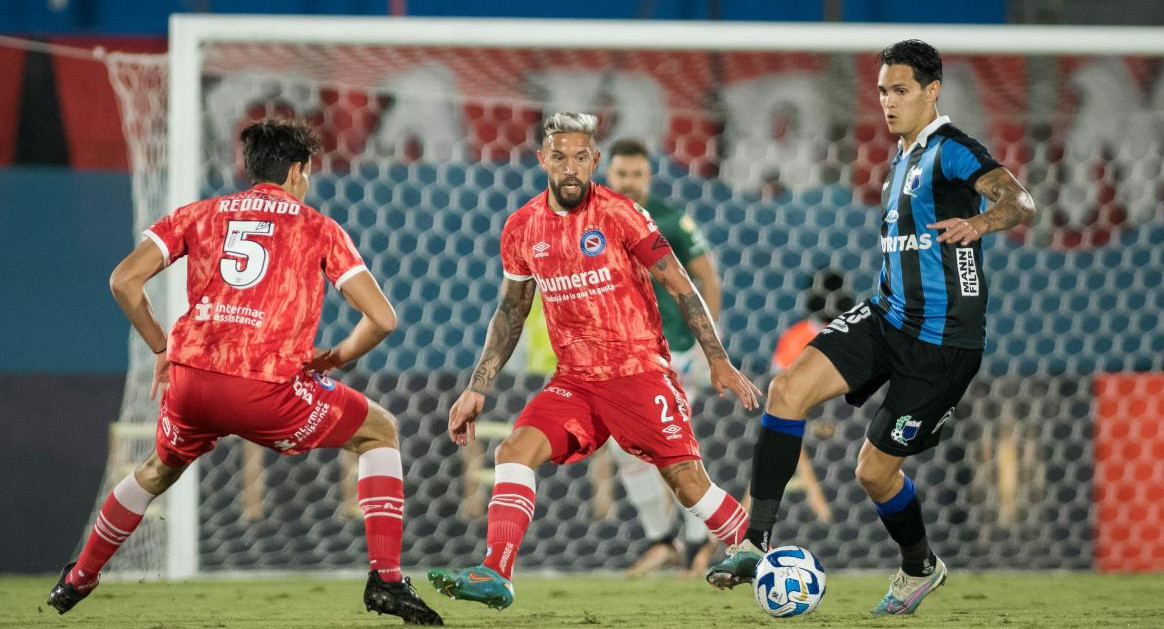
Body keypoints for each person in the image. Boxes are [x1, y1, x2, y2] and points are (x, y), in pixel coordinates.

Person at [47, 119, 443, 625]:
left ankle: (80, 576)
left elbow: (124, 281)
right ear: (298, 171)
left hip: (191, 382)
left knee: (156, 470)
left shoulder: (200, 214)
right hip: (266, 389)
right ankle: (386, 579)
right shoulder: (317, 227)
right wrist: (336, 358)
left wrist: (161, 348)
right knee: (379, 431)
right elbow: (383, 319)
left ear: (251, 168)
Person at [706, 39, 1036, 617]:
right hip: (886, 316)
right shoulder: (901, 159)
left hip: (943, 343)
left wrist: (981, 222)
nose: (888, 101)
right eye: (882, 90)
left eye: (901, 90)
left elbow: (1021, 200)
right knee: (786, 390)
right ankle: (755, 543)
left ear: (932, 91)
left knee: (874, 473)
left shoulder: (952, 151)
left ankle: (920, 567)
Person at [428, 112, 761, 611]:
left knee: (688, 482)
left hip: (638, 373)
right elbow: (511, 310)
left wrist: (718, 359)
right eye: (558, 156)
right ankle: (496, 571)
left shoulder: (622, 214)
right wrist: (479, 385)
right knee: (514, 452)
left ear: (594, 161)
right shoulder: (522, 227)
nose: (569, 167)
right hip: (576, 383)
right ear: (542, 159)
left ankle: (755, 552)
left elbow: (681, 284)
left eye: (580, 157)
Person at [600, 138, 724, 575]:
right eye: (622, 174)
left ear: (648, 177)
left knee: (674, 443)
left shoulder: (670, 219)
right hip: (619, 353)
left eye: (637, 174)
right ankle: (663, 540)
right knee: (625, 447)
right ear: (608, 174)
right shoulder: (592, 220)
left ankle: (695, 546)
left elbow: (707, 275)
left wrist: (712, 341)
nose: (629, 182)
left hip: (674, 350)